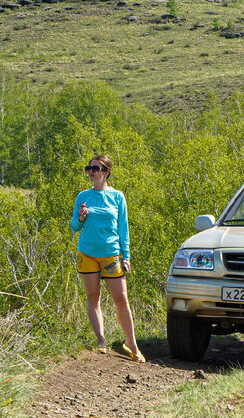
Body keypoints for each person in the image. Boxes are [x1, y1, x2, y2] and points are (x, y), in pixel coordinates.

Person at [70, 153, 145, 362]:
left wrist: (126, 256)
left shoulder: (117, 196)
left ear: (106, 172)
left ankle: (131, 343)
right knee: (93, 297)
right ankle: (101, 341)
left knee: (121, 299)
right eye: (89, 168)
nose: (91, 172)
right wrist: (81, 217)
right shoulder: (82, 196)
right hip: (87, 253)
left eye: (95, 168)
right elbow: (74, 227)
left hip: (112, 254)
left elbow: (124, 229)